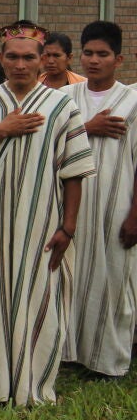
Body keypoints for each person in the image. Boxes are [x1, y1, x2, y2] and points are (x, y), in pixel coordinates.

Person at [0, 21, 95, 405]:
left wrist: (69, 226)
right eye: (13, 57)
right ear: (1, 59)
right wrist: (3, 129)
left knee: (39, 299)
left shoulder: (61, 105)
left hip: (43, 220)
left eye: (29, 57)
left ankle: (32, 386)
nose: (20, 64)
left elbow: (75, 170)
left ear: (43, 61)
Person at [61, 21, 137, 378]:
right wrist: (86, 128)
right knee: (71, 277)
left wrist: (135, 214)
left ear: (118, 58)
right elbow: (50, 143)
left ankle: (108, 360)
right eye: (88, 53)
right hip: (71, 205)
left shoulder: (132, 100)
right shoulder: (66, 98)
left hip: (115, 202)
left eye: (102, 54)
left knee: (113, 279)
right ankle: (68, 353)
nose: (94, 60)